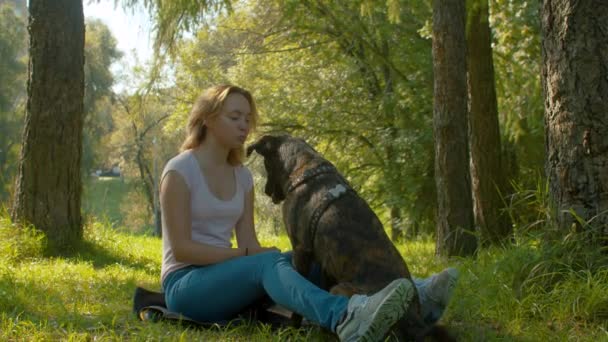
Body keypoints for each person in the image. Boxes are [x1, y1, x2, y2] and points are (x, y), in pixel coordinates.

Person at [159, 84, 457, 341]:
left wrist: (265, 255)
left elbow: (247, 242)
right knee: (268, 265)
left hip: (228, 281)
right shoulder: (179, 171)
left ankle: (411, 295)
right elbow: (183, 250)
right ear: (208, 119)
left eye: (248, 119)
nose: (244, 125)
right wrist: (253, 259)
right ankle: (343, 317)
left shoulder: (242, 177)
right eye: (234, 117)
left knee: (313, 262)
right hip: (187, 286)